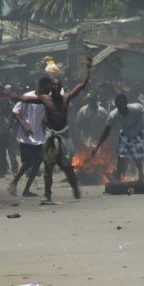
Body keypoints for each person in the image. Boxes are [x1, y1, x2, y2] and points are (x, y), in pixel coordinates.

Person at [13, 57, 93, 202]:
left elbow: (82, 84)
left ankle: (74, 186)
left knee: (66, 165)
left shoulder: (66, 98)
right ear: (51, 88)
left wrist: (88, 69)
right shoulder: (45, 99)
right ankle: (48, 194)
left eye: (58, 86)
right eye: (53, 86)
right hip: (50, 134)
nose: (55, 88)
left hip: (64, 134)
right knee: (48, 165)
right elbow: (27, 99)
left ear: (60, 87)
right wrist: (13, 96)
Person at [92, 93, 144, 181]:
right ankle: (119, 177)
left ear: (126, 103)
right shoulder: (113, 115)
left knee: (136, 155)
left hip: (138, 132)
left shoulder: (136, 107)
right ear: (116, 105)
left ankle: (141, 175)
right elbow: (106, 131)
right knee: (121, 155)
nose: (121, 108)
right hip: (125, 133)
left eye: (123, 105)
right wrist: (97, 147)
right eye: (119, 106)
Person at [7, 77, 52, 197]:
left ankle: (26, 189)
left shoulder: (46, 100)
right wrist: (24, 125)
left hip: (38, 136)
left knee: (38, 162)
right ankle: (14, 182)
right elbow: (15, 111)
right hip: (25, 136)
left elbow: (46, 119)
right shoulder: (29, 96)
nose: (50, 89)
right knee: (28, 162)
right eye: (49, 87)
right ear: (43, 86)